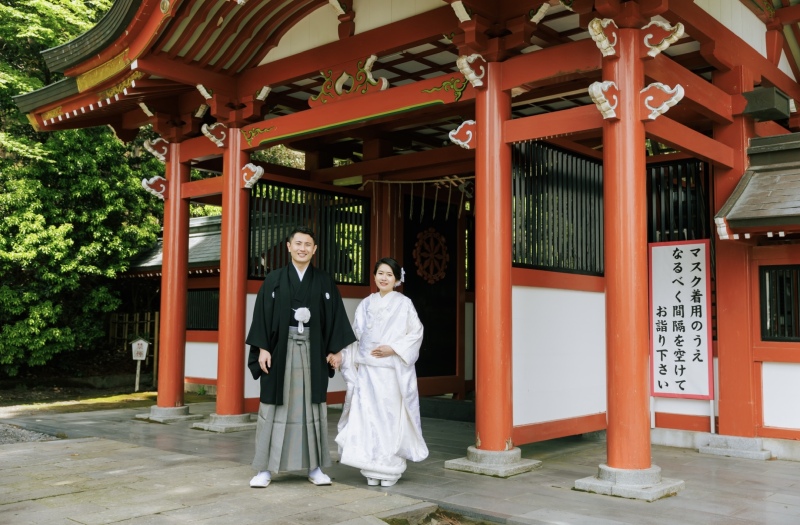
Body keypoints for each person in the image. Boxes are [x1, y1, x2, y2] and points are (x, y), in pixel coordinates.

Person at [246, 226, 356, 489]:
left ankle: (314, 466)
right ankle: (264, 468)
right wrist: (262, 347)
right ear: (288, 246)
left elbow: (335, 316)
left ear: (314, 249)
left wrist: (336, 349)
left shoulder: (324, 280)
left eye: (308, 244)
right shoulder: (273, 279)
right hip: (279, 350)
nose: (302, 248)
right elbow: (261, 317)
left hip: (314, 350)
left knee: (312, 405)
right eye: (298, 243)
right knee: (273, 406)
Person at [330, 257, 429, 487]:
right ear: (374, 276)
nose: (384, 278)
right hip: (367, 373)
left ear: (396, 280)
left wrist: (392, 349)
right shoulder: (366, 304)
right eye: (380, 273)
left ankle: (390, 466)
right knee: (368, 417)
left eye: (389, 275)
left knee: (389, 418)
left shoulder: (404, 304)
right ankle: (371, 466)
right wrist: (342, 356)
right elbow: (355, 337)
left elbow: (416, 333)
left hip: (391, 372)